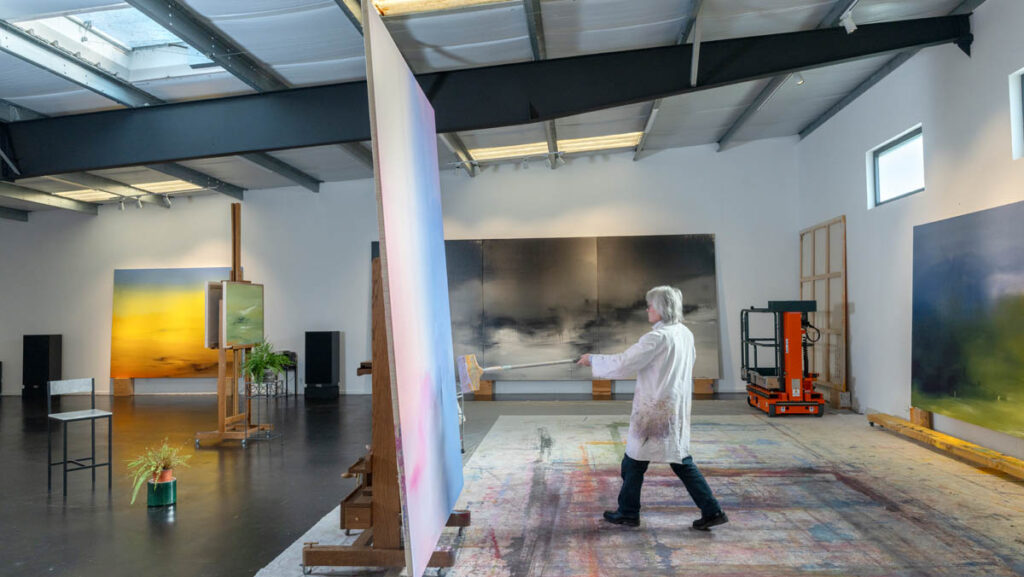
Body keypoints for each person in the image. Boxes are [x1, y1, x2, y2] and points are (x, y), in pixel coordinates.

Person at [578, 286, 728, 531]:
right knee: (677, 458)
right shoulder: (684, 333)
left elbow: (624, 363)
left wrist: (592, 360)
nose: (647, 309)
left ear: (661, 308)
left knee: (635, 461)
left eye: (651, 305)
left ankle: (628, 513)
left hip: (655, 408)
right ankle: (712, 510)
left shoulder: (657, 338)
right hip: (673, 406)